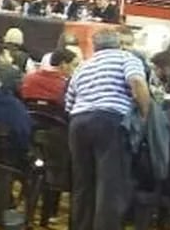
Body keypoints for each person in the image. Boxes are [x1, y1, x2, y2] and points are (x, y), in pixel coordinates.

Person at [65, 29, 151, 230]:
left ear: (94, 46)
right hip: (110, 120)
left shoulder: (83, 65)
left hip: (78, 123)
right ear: (119, 44)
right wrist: (145, 114)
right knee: (110, 186)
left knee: (82, 184)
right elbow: (137, 82)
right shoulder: (126, 58)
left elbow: (69, 103)